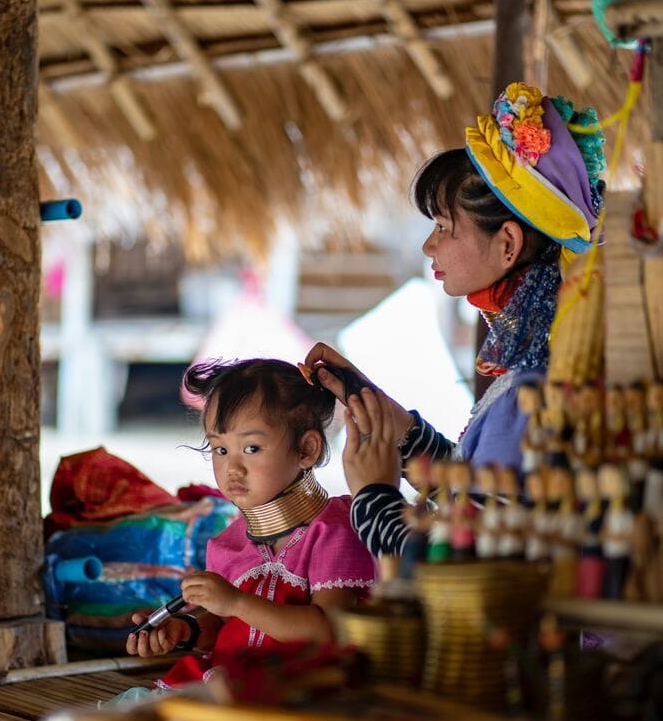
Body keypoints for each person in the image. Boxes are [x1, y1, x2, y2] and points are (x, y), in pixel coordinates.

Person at [303, 82, 606, 557]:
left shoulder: (532, 391)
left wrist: (372, 495)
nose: (429, 245)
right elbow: (479, 493)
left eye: (443, 227)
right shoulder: (547, 364)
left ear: (507, 244)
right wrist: (382, 413)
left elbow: (466, 566)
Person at [125, 357, 377, 684]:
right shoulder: (228, 542)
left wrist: (237, 601)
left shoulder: (334, 533)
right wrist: (183, 631)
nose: (233, 468)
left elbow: (328, 631)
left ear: (306, 449)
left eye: (252, 448)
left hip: (302, 688)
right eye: (219, 449)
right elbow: (222, 625)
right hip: (229, 681)